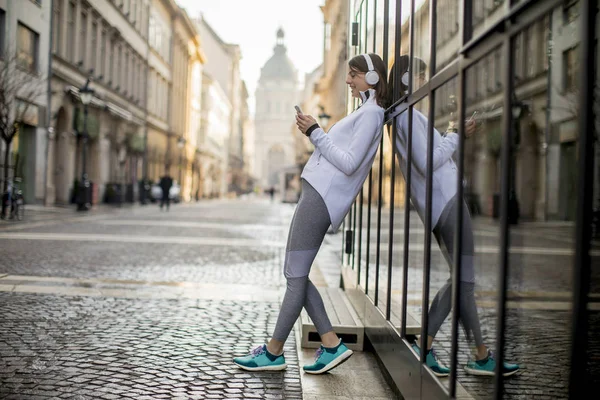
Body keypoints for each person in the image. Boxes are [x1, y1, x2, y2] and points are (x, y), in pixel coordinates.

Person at [233, 53, 388, 374]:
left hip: (322, 197)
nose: (347, 80)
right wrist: (317, 133)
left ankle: (275, 352)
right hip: (317, 194)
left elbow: (349, 163)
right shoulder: (364, 112)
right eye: (348, 74)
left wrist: (316, 132)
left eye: (354, 75)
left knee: (294, 273)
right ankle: (330, 344)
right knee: (297, 273)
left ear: (373, 78)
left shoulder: (372, 114)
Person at [389, 55, 519, 377]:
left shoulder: (407, 115)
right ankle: (440, 348)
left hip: (443, 202)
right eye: (421, 76)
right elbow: (426, 162)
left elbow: (430, 155)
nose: (425, 82)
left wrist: (451, 131)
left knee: (462, 280)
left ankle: (478, 353)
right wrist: (455, 136)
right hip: (446, 203)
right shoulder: (405, 115)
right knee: (464, 279)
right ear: (407, 79)